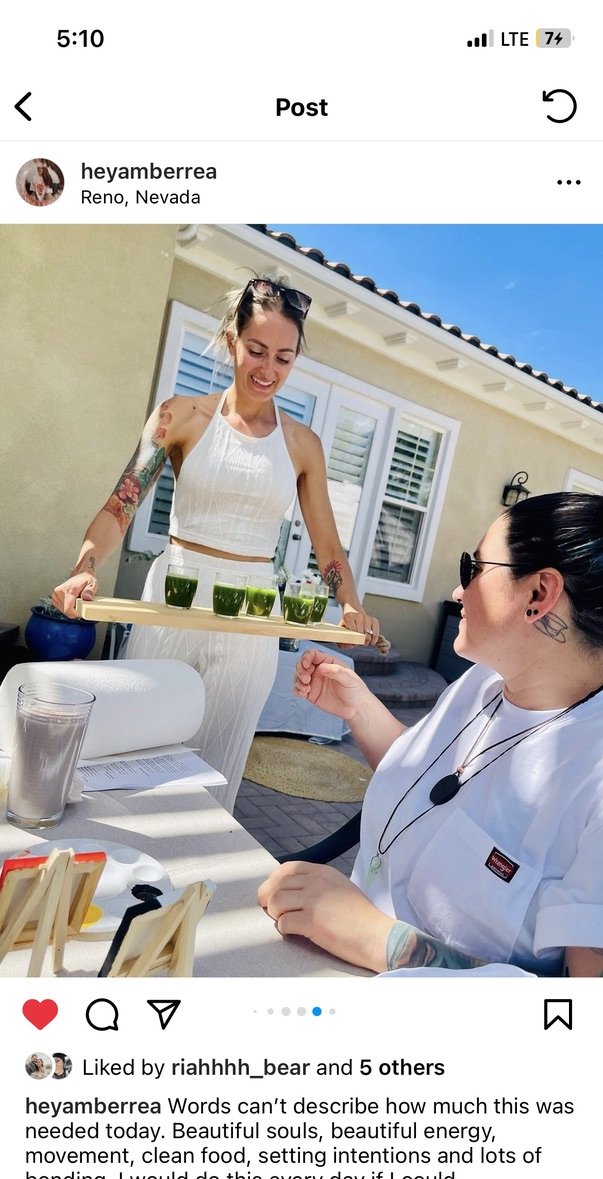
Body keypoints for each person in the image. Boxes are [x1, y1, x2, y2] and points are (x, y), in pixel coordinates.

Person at [52, 277, 379, 812]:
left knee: (215, 773)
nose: (268, 369)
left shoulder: (303, 446)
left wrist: (350, 605)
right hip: (174, 600)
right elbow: (122, 504)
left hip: (249, 618)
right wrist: (85, 565)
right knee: (136, 754)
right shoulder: (178, 417)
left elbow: (328, 547)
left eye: (283, 357)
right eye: (256, 350)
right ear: (232, 340)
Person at [259, 492, 603, 977]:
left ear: (538, 595)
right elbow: (431, 782)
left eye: (474, 568)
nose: (459, 592)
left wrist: (384, 940)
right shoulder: (482, 682)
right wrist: (358, 708)